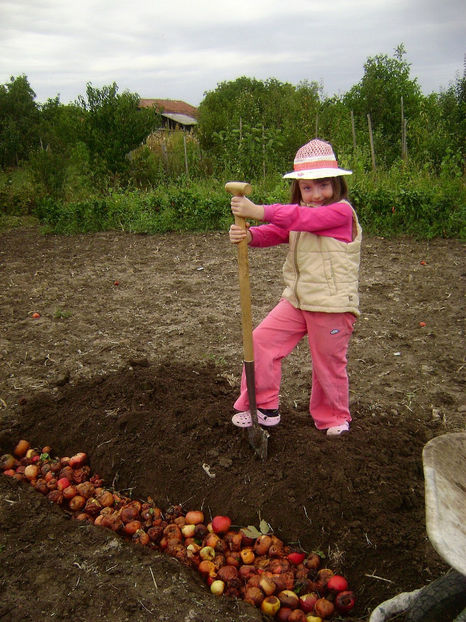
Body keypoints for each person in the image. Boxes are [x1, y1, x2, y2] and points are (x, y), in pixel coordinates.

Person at [229, 138, 362, 436]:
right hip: (298, 301)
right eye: (307, 188)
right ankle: (263, 407)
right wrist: (249, 236)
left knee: (327, 364)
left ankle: (334, 418)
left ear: (337, 184)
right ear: (298, 189)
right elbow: (280, 230)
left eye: (324, 185)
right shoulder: (301, 213)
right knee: (260, 341)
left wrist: (259, 210)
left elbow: (303, 218)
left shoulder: (340, 212)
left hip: (331, 304)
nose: (316, 194)